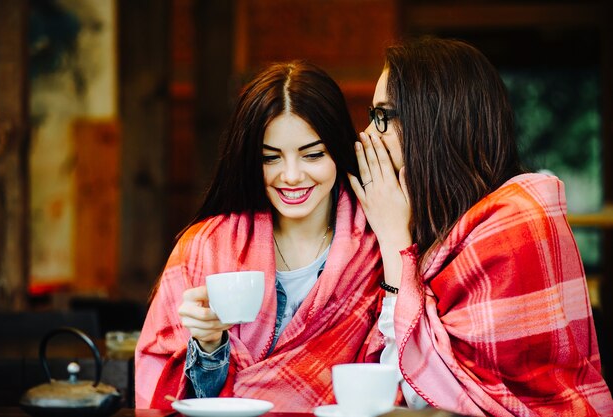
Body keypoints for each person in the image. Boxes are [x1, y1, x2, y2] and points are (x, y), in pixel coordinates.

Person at [350, 36, 613, 416]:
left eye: (382, 117)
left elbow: (428, 396)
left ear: (433, 121)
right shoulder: (430, 221)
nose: (369, 136)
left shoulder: (515, 225)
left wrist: (395, 241)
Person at [135, 61, 384, 412]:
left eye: (312, 155)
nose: (292, 175)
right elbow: (173, 399)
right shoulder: (203, 247)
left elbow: (401, 373)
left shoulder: (378, 248)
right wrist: (208, 346)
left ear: (338, 151)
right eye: (270, 158)